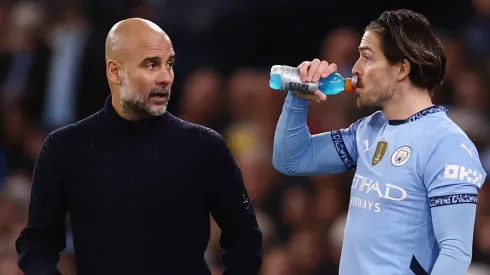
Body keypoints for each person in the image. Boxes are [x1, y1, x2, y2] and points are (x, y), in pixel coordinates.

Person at [15, 18, 263, 275]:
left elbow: (246, 239)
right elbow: (37, 243)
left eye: (170, 65)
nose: (166, 78)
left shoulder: (205, 147)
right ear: (114, 71)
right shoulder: (64, 148)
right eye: (151, 65)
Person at [272, 9, 486, 275]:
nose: (356, 69)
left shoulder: (447, 144)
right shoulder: (368, 131)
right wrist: (297, 99)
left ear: (402, 69)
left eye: (367, 58)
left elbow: (455, 251)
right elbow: (291, 160)